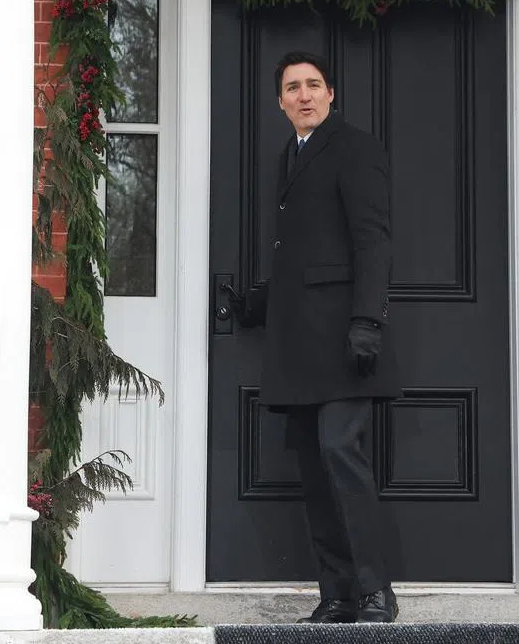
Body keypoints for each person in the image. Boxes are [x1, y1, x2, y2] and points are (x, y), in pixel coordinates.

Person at [226, 50, 400, 625]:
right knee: (314, 469)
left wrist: (367, 321)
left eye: (313, 85)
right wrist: (259, 304)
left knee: (338, 453)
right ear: (280, 102)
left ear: (331, 95)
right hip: (297, 344)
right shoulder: (289, 158)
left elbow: (372, 241)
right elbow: (302, 254)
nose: (303, 95)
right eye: (292, 88)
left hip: (345, 340)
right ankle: (337, 594)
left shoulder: (354, 148)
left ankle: (376, 592)